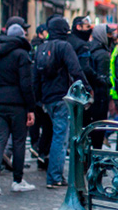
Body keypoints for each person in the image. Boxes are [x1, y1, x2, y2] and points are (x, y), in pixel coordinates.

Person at [33, 16, 88, 188]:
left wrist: (38, 99)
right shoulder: (64, 46)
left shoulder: (41, 47)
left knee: (55, 134)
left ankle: (54, 173)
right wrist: (86, 87)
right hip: (62, 96)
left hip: (47, 98)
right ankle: (55, 176)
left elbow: (35, 76)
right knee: (61, 138)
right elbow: (75, 69)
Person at [0, 24, 36, 196]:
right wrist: (30, 107)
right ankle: (17, 180)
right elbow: (26, 83)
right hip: (17, 103)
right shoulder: (21, 54)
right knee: (19, 141)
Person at [68, 16, 105, 126]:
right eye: (87, 26)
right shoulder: (82, 45)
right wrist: (97, 81)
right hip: (79, 89)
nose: (90, 29)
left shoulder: (68, 40)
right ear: (78, 27)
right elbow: (85, 68)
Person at [87, 25, 114, 133]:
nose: (111, 36)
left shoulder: (90, 48)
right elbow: (103, 77)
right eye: (109, 34)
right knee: (99, 126)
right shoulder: (103, 54)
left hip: (91, 93)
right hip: (100, 95)